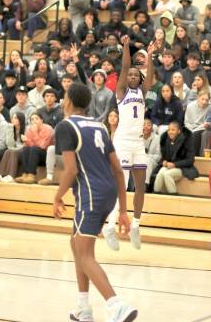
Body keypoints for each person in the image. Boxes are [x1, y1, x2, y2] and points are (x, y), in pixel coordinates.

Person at [53, 82, 136, 322]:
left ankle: (116, 305)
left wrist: (57, 196)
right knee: (76, 243)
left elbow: (70, 170)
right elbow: (118, 170)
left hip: (90, 194)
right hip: (108, 192)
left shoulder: (66, 126)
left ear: (68, 101)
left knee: (85, 255)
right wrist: (122, 210)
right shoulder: (99, 126)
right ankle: (83, 307)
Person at [103, 36, 156, 251]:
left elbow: (150, 76)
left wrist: (150, 57)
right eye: (130, 75)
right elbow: (125, 66)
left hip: (137, 143)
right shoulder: (121, 92)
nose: (133, 76)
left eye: (136, 75)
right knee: (122, 188)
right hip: (123, 142)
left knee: (140, 186)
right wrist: (126, 46)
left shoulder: (143, 92)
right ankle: (109, 226)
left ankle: (136, 224)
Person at [154, 121, 198, 194]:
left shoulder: (186, 141)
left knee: (167, 175)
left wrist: (175, 165)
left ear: (178, 131)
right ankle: (155, 195)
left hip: (183, 168)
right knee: (160, 174)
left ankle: (174, 196)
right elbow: (164, 157)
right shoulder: (166, 140)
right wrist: (164, 162)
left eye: (173, 130)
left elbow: (190, 160)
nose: (170, 132)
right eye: (169, 130)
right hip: (169, 166)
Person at [15, 112, 54, 184]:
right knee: (25, 149)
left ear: (42, 120)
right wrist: (26, 141)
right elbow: (29, 145)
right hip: (35, 154)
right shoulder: (30, 129)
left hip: (47, 155)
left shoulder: (48, 129)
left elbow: (42, 146)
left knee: (34, 148)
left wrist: (35, 133)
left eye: (37, 119)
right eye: (32, 119)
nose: (34, 121)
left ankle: (31, 175)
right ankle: (25, 174)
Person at [0, 112, 25, 182]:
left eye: (16, 118)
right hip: (13, 149)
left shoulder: (26, 128)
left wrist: (14, 149)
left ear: (21, 119)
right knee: (7, 151)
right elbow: (10, 145)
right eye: (12, 118)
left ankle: (11, 175)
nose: (13, 120)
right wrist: (10, 128)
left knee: (12, 151)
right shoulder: (10, 128)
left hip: (23, 150)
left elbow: (25, 145)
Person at [185, 90, 211, 156]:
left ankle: (194, 156)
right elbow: (186, 122)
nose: (204, 102)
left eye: (206, 100)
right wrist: (191, 129)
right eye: (202, 99)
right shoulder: (190, 106)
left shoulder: (210, 107)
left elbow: (207, 123)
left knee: (196, 134)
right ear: (198, 98)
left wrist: (195, 130)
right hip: (191, 127)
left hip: (202, 128)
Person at [142, 118, 161, 192]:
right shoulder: (137, 138)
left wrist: (147, 156)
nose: (146, 127)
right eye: (144, 125)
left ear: (152, 127)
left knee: (147, 161)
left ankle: (145, 185)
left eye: (148, 125)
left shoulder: (157, 138)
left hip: (152, 162)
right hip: (139, 160)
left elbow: (158, 156)